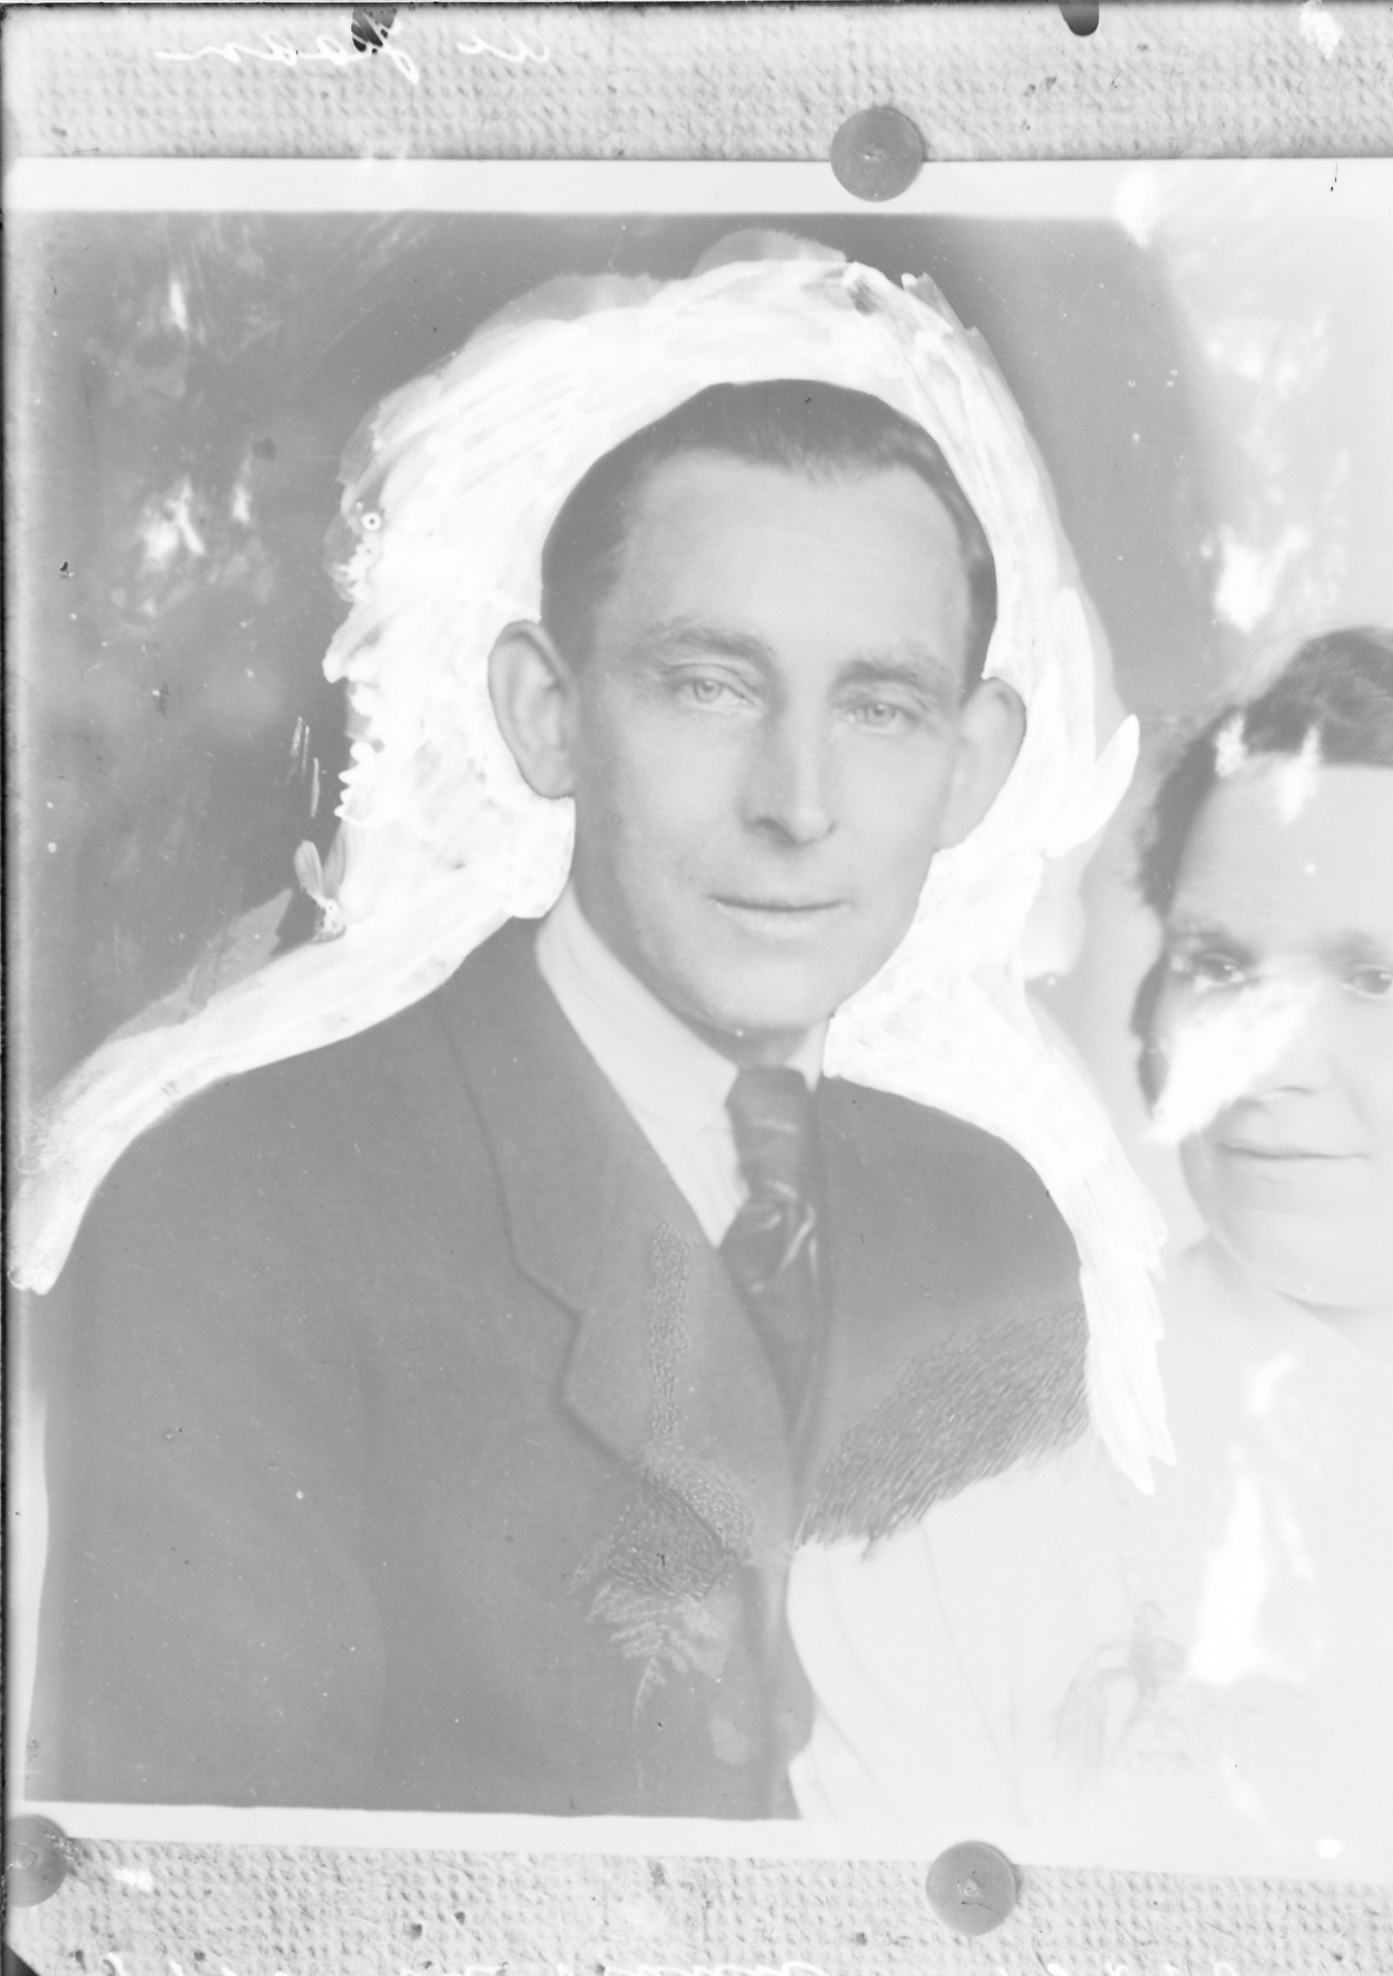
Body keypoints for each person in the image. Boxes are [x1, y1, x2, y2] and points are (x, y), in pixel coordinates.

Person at [16, 245, 1164, 1815]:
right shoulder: (229, 1209)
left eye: (879, 707)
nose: (797, 803)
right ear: (544, 715)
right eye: (708, 686)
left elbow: (1052, 1830)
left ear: (970, 767)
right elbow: (200, 1921)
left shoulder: (992, 1225)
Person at [787, 613, 1393, 1884]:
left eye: (1374, 980)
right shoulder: (946, 1529)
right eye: (1220, 966)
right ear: (1150, 1015)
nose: (1268, 1064)